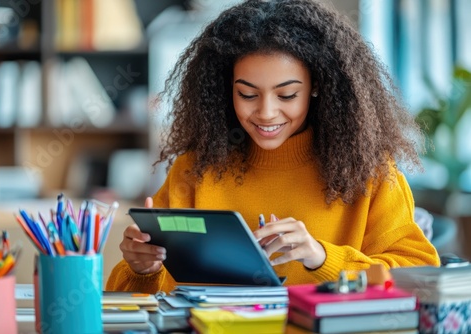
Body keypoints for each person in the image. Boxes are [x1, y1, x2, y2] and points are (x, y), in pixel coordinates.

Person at [106, 0, 439, 293]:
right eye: (247, 94)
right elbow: (123, 300)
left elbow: (419, 276)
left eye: (287, 95)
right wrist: (141, 270)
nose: (265, 113)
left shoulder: (369, 170)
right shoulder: (197, 168)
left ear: (317, 86)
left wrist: (322, 257)